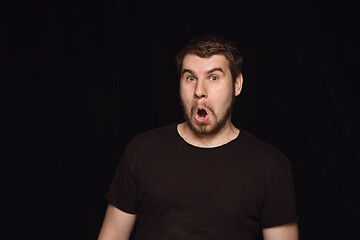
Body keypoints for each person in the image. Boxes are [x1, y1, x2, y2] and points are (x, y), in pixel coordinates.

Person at [98, 35, 299, 240]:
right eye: (190, 78)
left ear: (237, 85)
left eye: (213, 77)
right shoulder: (141, 152)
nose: (199, 91)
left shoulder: (270, 166)